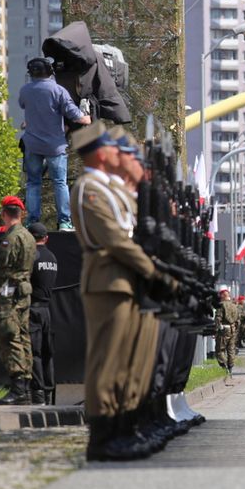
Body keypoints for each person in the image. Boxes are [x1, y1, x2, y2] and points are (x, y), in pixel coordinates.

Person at [71, 121, 176, 461]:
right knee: (108, 360)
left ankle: (122, 427)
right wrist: (152, 270)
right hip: (107, 280)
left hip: (125, 280)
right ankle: (103, 436)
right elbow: (115, 239)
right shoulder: (89, 188)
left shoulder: (111, 190)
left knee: (126, 360)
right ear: (101, 153)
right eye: (115, 149)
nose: (121, 154)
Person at [18, 57, 91, 230]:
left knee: (33, 183)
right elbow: (73, 113)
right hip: (54, 146)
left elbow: (25, 106)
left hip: (32, 145)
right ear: (49, 71)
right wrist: (86, 117)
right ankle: (64, 222)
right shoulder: (58, 90)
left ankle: (32, 221)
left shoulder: (25, 90)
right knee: (59, 182)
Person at [0, 201, 37, 406]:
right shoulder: (30, 237)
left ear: (5, 214)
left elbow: (1, 268)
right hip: (24, 292)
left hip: (10, 293)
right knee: (23, 337)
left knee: (9, 337)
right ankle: (24, 386)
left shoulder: (11, 238)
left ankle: (18, 389)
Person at [25, 222, 58, 405]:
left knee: (34, 352)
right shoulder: (52, 257)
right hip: (47, 310)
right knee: (47, 352)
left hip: (33, 310)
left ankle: (37, 394)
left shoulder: (32, 256)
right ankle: (48, 393)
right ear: (46, 238)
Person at [214, 287, 241, 378]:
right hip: (233, 329)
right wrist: (235, 329)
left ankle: (224, 366)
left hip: (224, 330)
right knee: (231, 350)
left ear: (222, 295)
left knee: (220, 350)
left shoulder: (221, 305)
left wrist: (216, 330)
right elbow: (238, 319)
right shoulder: (234, 305)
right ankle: (230, 368)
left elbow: (218, 318)